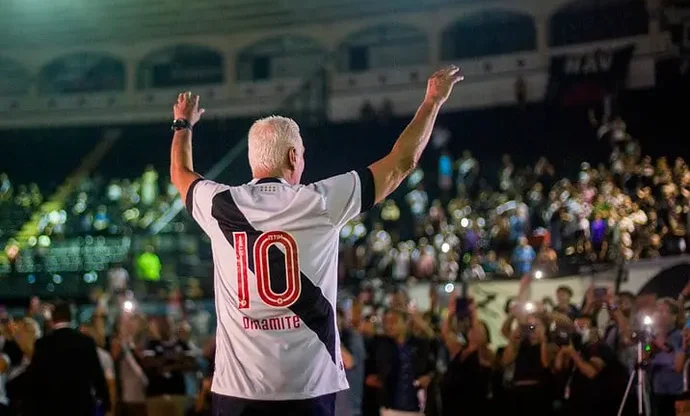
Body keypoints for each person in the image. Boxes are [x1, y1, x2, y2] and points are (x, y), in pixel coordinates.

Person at [170, 66, 463, 416]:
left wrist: (182, 125)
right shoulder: (320, 202)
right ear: (293, 156)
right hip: (308, 389)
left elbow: (180, 174)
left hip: (238, 393)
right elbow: (402, 162)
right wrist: (432, 102)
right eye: (302, 153)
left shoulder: (220, 204)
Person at [23, 302, 110, 416]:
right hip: (80, 405)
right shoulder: (85, 342)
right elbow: (96, 373)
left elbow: (35, 376)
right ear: (70, 318)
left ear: (53, 319)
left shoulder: (43, 344)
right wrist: (105, 401)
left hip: (51, 406)